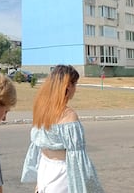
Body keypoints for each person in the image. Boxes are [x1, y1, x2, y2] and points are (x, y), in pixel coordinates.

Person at [21, 65, 104, 193]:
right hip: (62, 176)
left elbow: (38, 147)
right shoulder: (69, 116)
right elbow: (78, 159)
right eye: (75, 84)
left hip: (44, 169)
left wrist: (39, 181)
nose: (75, 89)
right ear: (68, 86)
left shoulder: (41, 110)